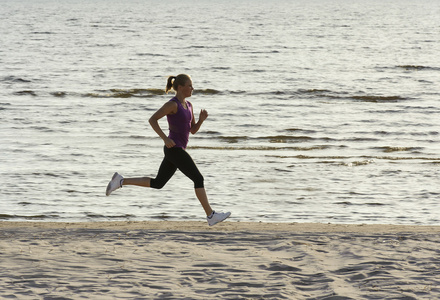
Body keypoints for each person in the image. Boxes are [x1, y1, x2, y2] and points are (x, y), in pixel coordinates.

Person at [106, 74, 231, 226]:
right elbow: (152, 119)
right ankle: (210, 215)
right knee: (198, 178)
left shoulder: (189, 105)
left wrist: (201, 121)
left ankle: (121, 181)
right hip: (174, 149)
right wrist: (165, 138)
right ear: (180, 87)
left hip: (176, 150)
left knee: (158, 183)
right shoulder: (173, 105)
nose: (193, 88)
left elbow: (192, 130)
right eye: (190, 85)